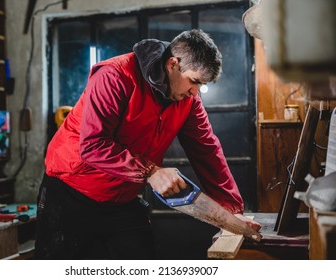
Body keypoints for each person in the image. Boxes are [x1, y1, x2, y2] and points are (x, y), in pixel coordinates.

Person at [35, 29, 261, 260]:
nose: (195, 93)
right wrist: (150, 172)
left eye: (200, 86)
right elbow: (93, 145)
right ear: (172, 64)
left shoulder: (189, 101)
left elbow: (207, 150)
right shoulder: (115, 75)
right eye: (193, 82)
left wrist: (231, 212)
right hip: (70, 192)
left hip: (122, 197)